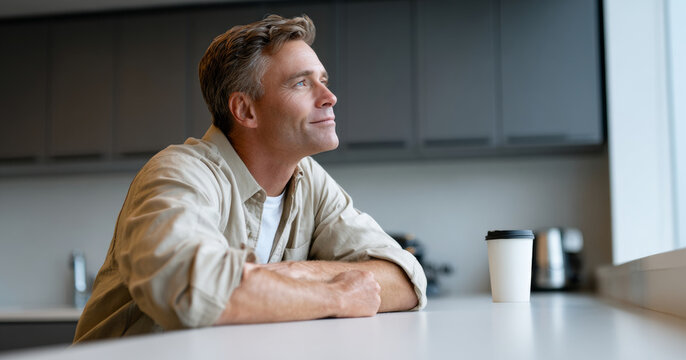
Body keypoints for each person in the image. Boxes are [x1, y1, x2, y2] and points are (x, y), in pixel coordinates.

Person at [73, 14, 426, 343]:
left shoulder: (309, 180)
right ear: (245, 110)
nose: (329, 97)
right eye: (301, 83)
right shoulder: (181, 172)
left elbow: (405, 278)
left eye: (323, 81)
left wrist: (290, 276)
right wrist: (337, 292)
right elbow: (190, 290)